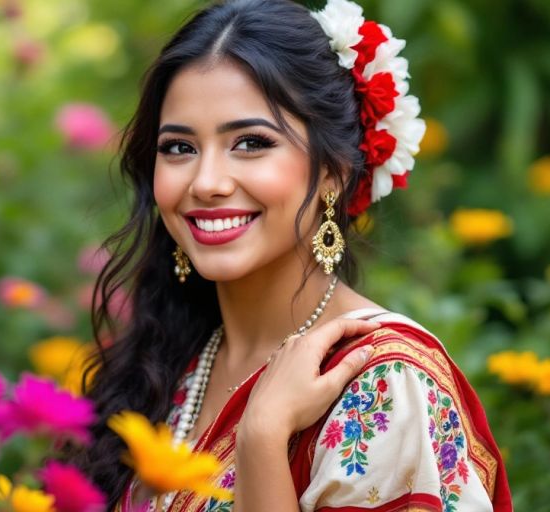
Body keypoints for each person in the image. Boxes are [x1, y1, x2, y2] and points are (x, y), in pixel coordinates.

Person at [71, 0, 512, 510]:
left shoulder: (383, 381)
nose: (206, 182)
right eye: (179, 148)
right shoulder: (173, 364)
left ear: (334, 171)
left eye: (251, 142)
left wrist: (262, 439)